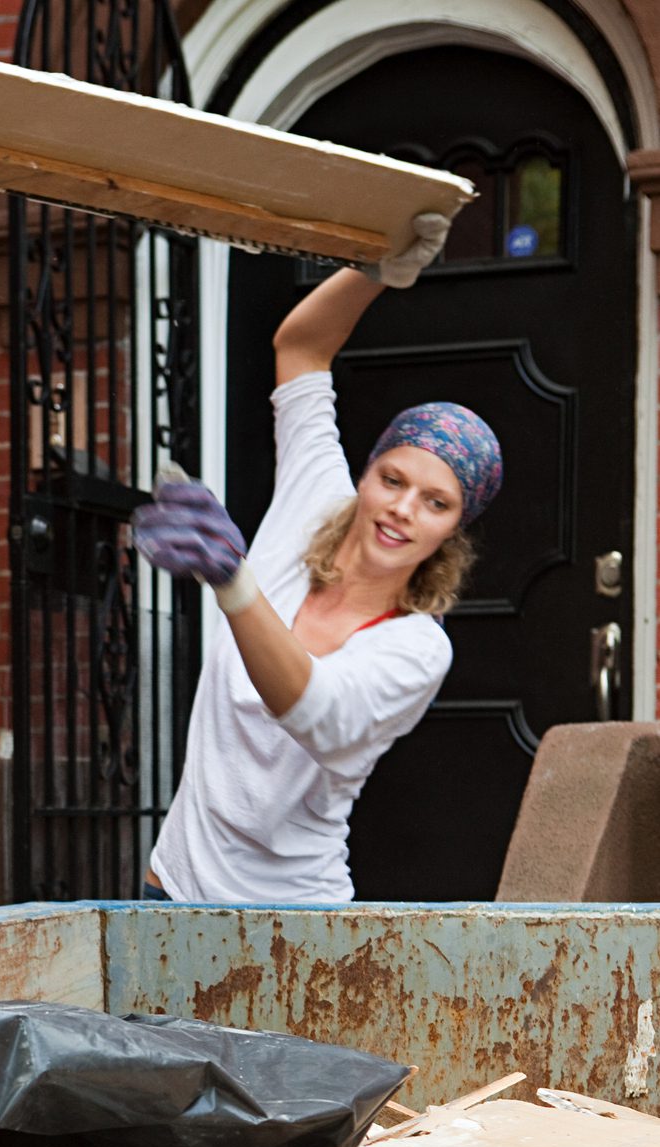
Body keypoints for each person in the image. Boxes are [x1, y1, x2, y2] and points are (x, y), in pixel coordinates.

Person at [135, 217, 502, 905]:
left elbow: (312, 706)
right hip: (173, 888)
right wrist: (378, 268)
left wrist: (232, 581)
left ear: (453, 531)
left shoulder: (417, 648)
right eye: (392, 480)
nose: (401, 509)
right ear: (366, 476)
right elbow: (300, 348)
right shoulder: (315, 493)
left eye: (435, 502)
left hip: (295, 921)